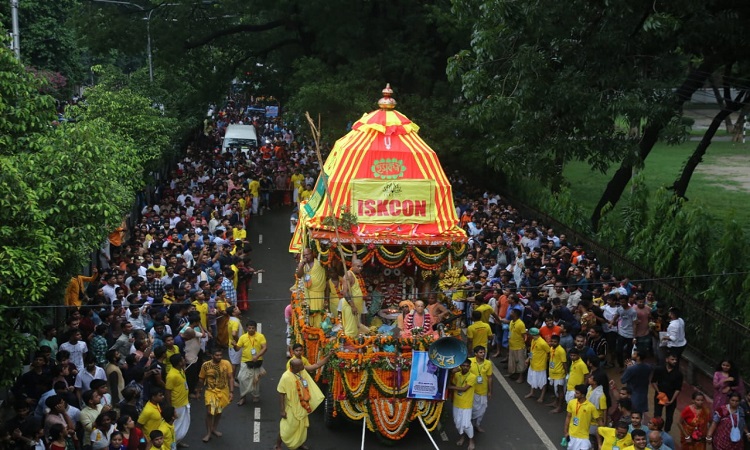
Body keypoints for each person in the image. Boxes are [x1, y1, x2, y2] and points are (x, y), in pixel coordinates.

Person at [274, 359, 324, 450]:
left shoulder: (301, 372)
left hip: (302, 405)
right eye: (300, 366)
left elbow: (317, 365)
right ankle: (278, 445)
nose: (302, 367)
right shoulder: (285, 377)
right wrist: (282, 410)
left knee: (302, 428)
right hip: (291, 407)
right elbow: (281, 394)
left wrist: (329, 355)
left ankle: (300, 444)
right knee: (287, 428)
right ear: (293, 367)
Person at [198, 349, 234, 442]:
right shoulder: (205, 365)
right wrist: (198, 391)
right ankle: (208, 433)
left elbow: (230, 378)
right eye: (217, 355)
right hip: (211, 391)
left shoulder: (226, 363)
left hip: (223, 391)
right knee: (210, 412)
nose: (219, 357)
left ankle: (214, 429)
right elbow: (201, 379)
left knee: (218, 411)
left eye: (220, 355)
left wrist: (231, 392)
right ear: (212, 356)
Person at [233, 320, 267, 405]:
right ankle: (243, 397)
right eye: (249, 328)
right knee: (241, 378)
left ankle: (255, 395)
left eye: (253, 328)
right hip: (245, 361)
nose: (251, 330)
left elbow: (264, 348)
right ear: (246, 328)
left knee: (255, 379)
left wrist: (257, 356)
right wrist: (234, 345)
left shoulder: (260, 336)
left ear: (255, 328)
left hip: (257, 361)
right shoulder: (243, 337)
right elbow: (237, 349)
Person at [448, 360, 477, 450]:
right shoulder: (457, 374)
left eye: (467, 366)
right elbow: (451, 382)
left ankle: (471, 441)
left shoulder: (472, 377)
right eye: (463, 365)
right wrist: (451, 373)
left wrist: (451, 387)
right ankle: (462, 437)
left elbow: (464, 389)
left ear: (470, 367)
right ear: (460, 366)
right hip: (457, 403)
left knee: (466, 424)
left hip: (466, 404)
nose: (465, 367)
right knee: (458, 423)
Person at [651, 352, 683, 432]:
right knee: (657, 414)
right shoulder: (659, 370)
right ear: (667, 359)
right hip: (660, 396)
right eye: (672, 359)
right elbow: (653, 382)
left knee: (669, 416)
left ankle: (666, 431)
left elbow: (678, 389)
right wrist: (659, 392)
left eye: (675, 360)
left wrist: (672, 400)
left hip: (671, 397)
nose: (674, 361)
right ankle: (656, 430)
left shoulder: (678, 374)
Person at [563, 383, 601, 450]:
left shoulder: (591, 407)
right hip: (572, 435)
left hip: (584, 437)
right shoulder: (571, 403)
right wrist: (566, 431)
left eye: (577, 393)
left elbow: (599, 421)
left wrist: (600, 432)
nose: (575, 394)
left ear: (583, 395)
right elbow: (568, 417)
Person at [295, 248, 327, 328]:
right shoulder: (304, 265)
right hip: (308, 293)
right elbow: (299, 275)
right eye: (304, 255)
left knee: (318, 313)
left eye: (308, 254)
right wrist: (301, 266)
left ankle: (318, 330)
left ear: (312, 254)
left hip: (318, 293)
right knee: (308, 313)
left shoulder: (320, 262)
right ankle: (310, 329)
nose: (306, 257)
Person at [164, 355, 190, 446]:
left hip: (184, 402)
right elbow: (168, 391)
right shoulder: (171, 375)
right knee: (177, 426)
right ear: (179, 362)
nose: (184, 360)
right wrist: (170, 407)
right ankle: (172, 445)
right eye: (183, 359)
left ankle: (178, 441)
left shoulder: (180, 370)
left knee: (182, 425)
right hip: (177, 404)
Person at [469, 346, 492, 433]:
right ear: (475, 354)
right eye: (480, 352)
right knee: (472, 409)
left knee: (482, 410)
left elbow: (489, 378)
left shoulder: (488, 363)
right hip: (472, 391)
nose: (483, 354)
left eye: (483, 352)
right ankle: (469, 425)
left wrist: (489, 391)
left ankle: (477, 425)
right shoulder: (470, 361)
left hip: (483, 391)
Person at [620, 349, 651, 414]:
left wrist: (628, 368)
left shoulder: (631, 369)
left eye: (634, 354)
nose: (632, 354)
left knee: (632, 415)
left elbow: (623, 380)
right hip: (643, 395)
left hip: (633, 395)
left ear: (638, 357)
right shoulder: (648, 367)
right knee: (640, 416)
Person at [525, 327, 549, 402]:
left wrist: (545, 360)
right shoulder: (533, 341)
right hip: (533, 364)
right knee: (533, 379)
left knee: (542, 382)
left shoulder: (542, 343)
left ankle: (542, 396)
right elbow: (532, 351)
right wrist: (528, 359)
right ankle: (532, 392)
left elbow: (549, 352)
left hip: (540, 366)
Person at [505, 308, 527, 383]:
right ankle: (513, 374)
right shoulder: (511, 322)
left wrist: (523, 345)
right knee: (512, 361)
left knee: (520, 362)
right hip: (512, 345)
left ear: (515, 314)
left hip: (519, 346)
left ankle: (521, 377)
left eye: (512, 312)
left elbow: (525, 336)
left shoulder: (520, 324)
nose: (510, 313)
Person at [547, 334, 568, 413]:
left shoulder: (561, 350)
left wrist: (566, 374)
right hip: (553, 373)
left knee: (560, 390)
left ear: (558, 342)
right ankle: (555, 402)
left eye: (555, 342)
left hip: (559, 374)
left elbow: (564, 363)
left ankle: (559, 407)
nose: (553, 343)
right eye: (551, 341)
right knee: (555, 390)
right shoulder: (552, 348)